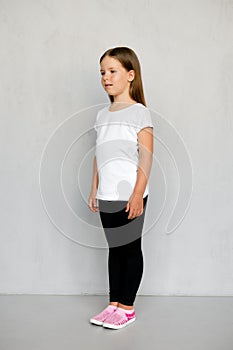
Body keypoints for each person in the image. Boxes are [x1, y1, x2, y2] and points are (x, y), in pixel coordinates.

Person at [88, 47, 154, 330]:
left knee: (130, 248)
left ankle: (127, 307)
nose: (106, 77)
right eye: (102, 72)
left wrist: (138, 193)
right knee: (114, 248)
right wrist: (94, 189)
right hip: (107, 196)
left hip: (130, 195)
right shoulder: (103, 115)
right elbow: (98, 154)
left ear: (130, 75)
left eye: (112, 71)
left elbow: (147, 156)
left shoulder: (140, 113)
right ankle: (113, 303)